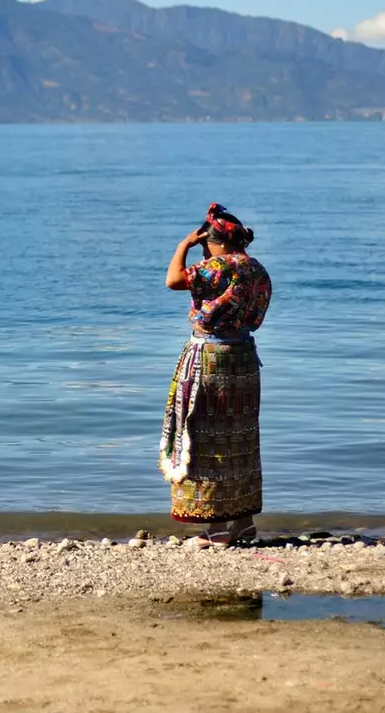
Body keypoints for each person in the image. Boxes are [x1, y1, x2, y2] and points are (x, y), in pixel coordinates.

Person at [159, 202, 272, 545]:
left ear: (214, 241)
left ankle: (217, 528)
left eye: (205, 241)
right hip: (243, 358)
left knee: (205, 435)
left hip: (210, 357)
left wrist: (182, 246)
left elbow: (173, 280)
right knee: (239, 437)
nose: (203, 248)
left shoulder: (218, 266)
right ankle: (244, 524)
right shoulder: (257, 269)